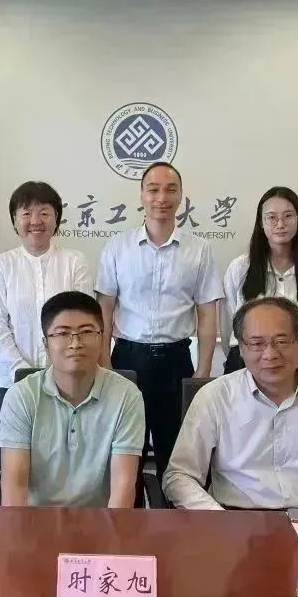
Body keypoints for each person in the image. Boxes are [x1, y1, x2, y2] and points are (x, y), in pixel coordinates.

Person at [163, 297, 298, 511]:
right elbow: (180, 476)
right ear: (241, 348)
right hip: (234, 516)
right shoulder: (215, 397)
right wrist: (220, 520)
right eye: (256, 343)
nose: (270, 354)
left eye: (281, 342)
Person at [96, 162, 222, 504]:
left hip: (176, 360)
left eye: (170, 189)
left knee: (176, 454)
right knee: (126, 452)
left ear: (180, 196)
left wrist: (203, 370)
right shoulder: (117, 247)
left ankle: (174, 528)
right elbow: (104, 309)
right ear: (141, 195)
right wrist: (105, 363)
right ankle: (128, 525)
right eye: (153, 189)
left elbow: (207, 312)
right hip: (128, 359)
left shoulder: (199, 249)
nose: (161, 197)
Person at [0, 291, 145, 508]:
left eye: (86, 332)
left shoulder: (127, 396)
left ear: (102, 337)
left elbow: (122, 492)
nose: (75, 343)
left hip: (101, 522)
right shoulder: (21, 396)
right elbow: (14, 491)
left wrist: (109, 531)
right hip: (35, 521)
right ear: (46, 344)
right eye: (62, 333)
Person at [0, 181, 91, 469]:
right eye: (26, 213)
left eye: (44, 213)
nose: (35, 221)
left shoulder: (74, 262)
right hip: (11, 383)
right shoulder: (1, 265)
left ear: (56, 219)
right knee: (8, 470)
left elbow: (81, 324)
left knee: (63, 470)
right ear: (14, 221)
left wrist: (57, 372)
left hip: (66, 386)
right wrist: (23, 372)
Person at [222, 187, 298, 373]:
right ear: (261, 222)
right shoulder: (240, 267)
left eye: (288, 216)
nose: (280, 224)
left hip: (294, 363)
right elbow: (228, 323)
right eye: (271, 217)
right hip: (245, 363)